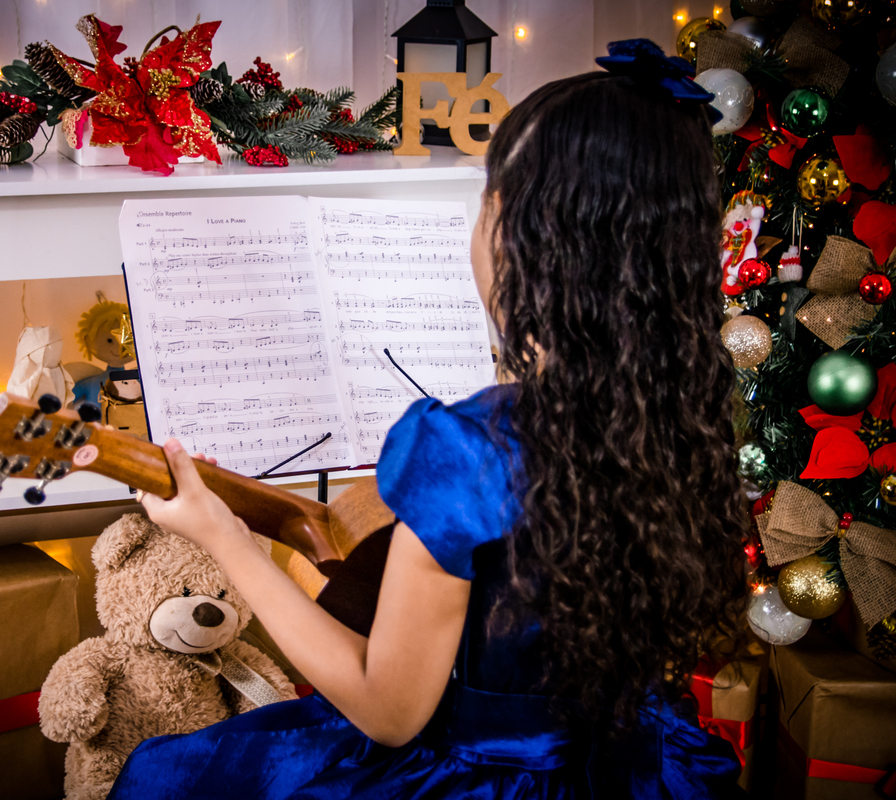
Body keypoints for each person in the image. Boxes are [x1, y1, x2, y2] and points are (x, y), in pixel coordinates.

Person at [108, 40, 749, 799]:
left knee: (166, 778)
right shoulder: (685, 412)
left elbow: (389, 712)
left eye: (489, 197)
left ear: (528, 239)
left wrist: (223, 534)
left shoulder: (466, 451)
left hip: (489, 779)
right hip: (635, 765)